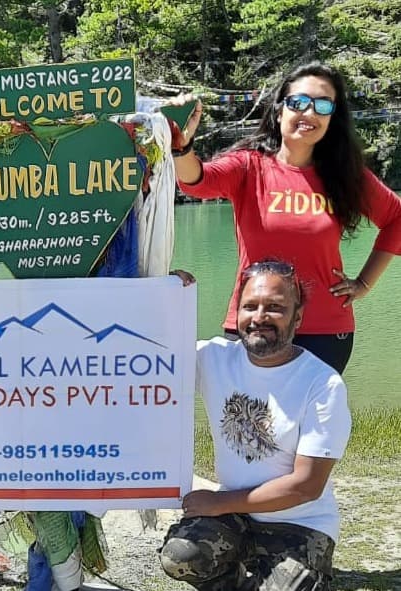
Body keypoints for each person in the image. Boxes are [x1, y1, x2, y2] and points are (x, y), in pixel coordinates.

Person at [170, 62, 401, 373]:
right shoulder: (249, 166)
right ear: (279, 111)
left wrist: (363, 283)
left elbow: (396, 218)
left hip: (324, 331)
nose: (309, 112)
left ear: (332, 118)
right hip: (255, 323)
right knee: (246, 419)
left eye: (322, 105)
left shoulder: (345, 176)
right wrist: (182, 148)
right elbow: (197, 181)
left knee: (312, 421)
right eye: (298, 103)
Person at [159, 259, 351, 590]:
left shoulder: (322, 384)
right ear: (237, 314)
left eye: (275, 308)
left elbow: (305, 486)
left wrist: (218, 502)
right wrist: (164, 297)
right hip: (235, 518)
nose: (259, 317)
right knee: (180, 555)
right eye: (250, 306)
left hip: (300, 523)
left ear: (298, 317)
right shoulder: (213, 357)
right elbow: (151, 355)